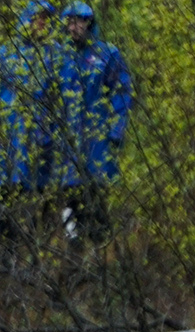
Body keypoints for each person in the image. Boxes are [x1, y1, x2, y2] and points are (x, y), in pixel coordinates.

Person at [50, 1, 128, 243]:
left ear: (89, 23)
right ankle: (72, 239)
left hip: (97, 133)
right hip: (68, 134)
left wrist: (117, 128)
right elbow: (48, 96)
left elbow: (121, 91)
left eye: (80, 21)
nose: (75, 27)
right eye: (70, 22)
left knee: (95, 186)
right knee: (69, 188)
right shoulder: (59, 56)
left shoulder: (106, 54)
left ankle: (100, 241)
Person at [0, 1, 59, 248]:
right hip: (10, 133)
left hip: (41, 134)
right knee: (7, 188)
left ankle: (40, 246)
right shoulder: (7, 53)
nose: (42, 24)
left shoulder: (53, 54)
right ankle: (8, 245)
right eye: (38, 18)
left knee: (40, 190)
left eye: (45, 19)